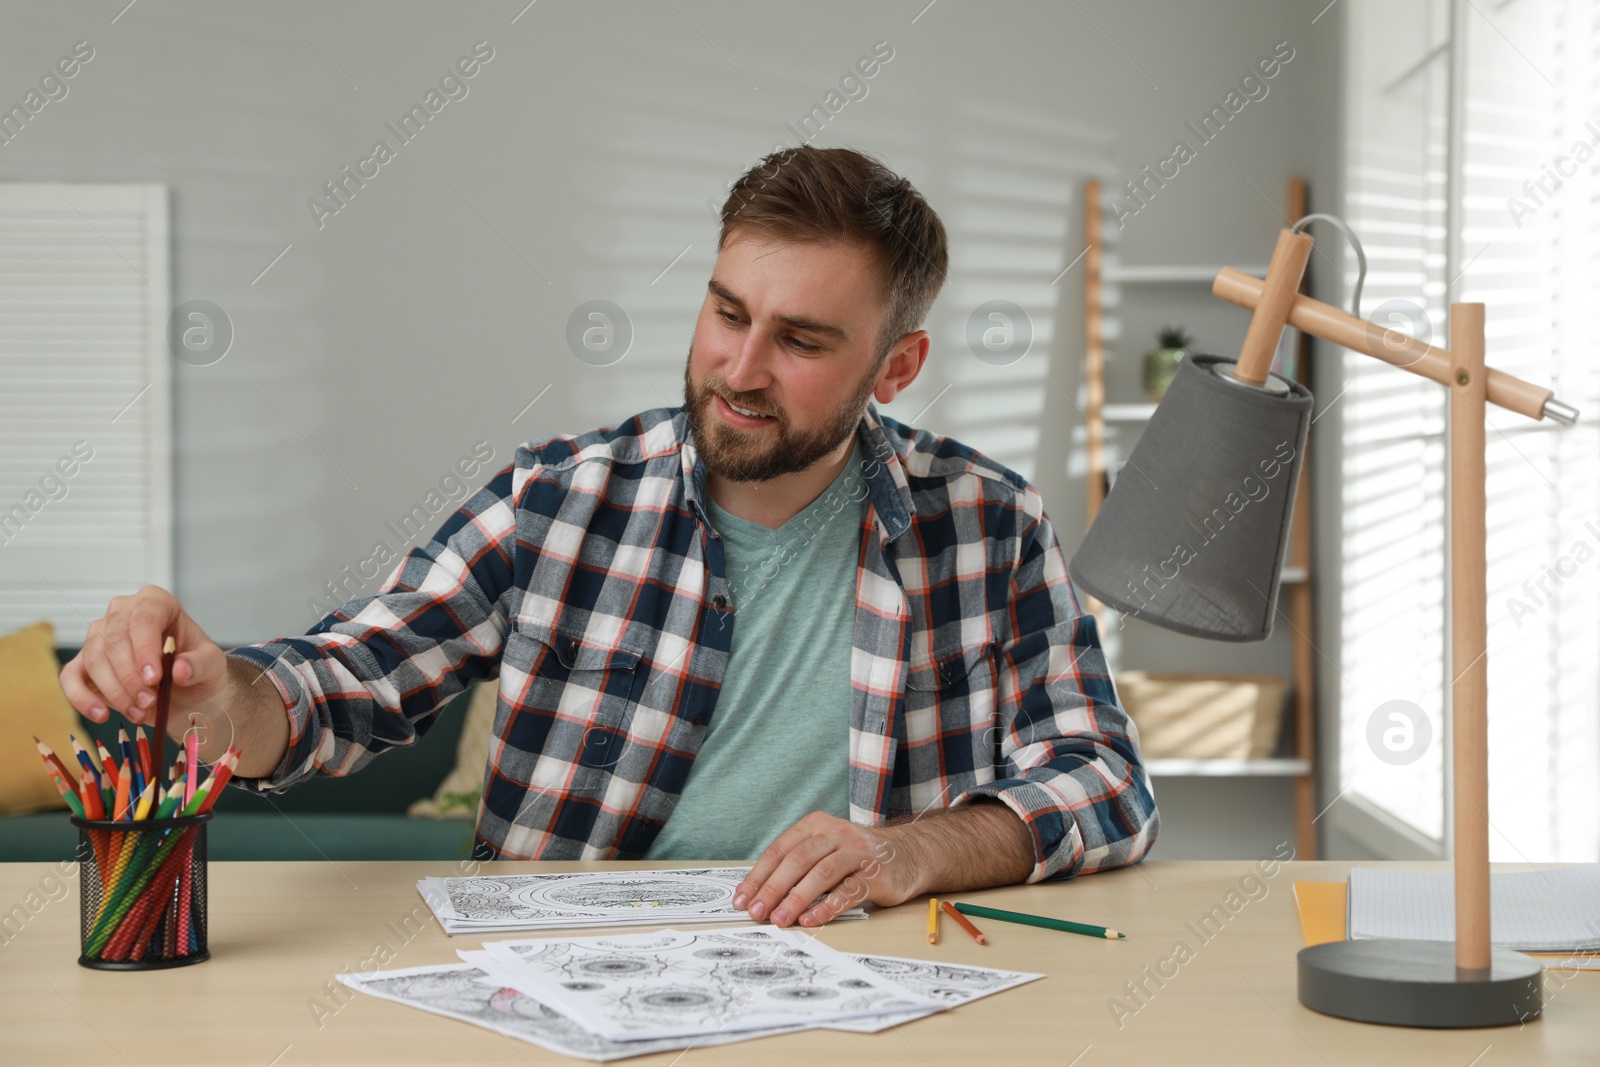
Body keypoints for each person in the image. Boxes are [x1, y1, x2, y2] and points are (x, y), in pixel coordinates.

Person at [59, 145, 1158, 928]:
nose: (739, 367)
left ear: (898, 366)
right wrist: (225, 701)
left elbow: (1105, 780)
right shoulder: (557, 500)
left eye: (802, 339)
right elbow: (344, 683)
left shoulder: (986, 522)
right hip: (569, 982)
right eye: (727, 312)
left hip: (864, 979)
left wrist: (910, 850)